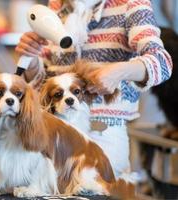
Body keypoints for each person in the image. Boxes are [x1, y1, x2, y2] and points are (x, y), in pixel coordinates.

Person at [16, 0, 173, 177]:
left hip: (103, 133)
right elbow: (44, 82)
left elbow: (162, 63)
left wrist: (119, 72)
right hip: (55, 132)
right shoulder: (58, 6)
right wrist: (30, 60)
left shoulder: (131, 4)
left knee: (91, 186)